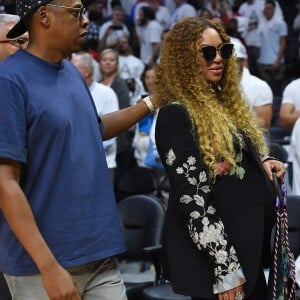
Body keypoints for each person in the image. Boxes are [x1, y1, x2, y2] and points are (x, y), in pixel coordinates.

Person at [0, 0, 162, 298]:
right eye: (76, 12)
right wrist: (48, 267)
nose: (86, 20)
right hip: (42, 265)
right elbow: (4, 181)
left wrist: (151, 103)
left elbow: (95, 128)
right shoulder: (8, 79)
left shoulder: (72, 73)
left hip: (98, 254)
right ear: (44, 16)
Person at [153, 17, 285, 300]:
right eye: (207, 52)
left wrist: (262, 161)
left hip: (246, 252)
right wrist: (225, 269)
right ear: (186, 59)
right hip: (218, 264)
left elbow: (239, 151)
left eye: (224, 50)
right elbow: (194, 199)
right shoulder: (176, 113)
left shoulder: (221, 103)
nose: (218, 59)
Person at [71, 52, 119, 181]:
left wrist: (80, 150)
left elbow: (111, 133)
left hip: (102, 165)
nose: (68, 72)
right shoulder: (69, 93)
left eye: (72, 68)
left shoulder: (106, 93)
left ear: (86, 72)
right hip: (74, 165)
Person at [231, 37, 273, 131]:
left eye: (234, 60)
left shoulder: (259, 86)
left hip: (252, 144)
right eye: (226, 60)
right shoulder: (214, 84)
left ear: (243, 61)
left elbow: (264, 125)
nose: (229, 64)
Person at [257, 0, 287, 97]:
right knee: (266, 90)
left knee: (277, 91)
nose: (267, 10)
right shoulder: (262, 23)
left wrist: (278, 60)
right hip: (263, 62)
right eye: (266, 8)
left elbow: (283, 43)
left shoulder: (280, 23)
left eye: (270, 8)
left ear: (274, 9)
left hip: (275, 62)